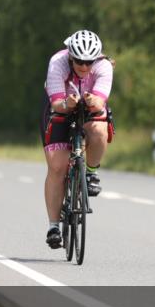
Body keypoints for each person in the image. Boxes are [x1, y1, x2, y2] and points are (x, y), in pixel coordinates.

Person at [42, 30, 114, 250]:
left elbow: (100, 104)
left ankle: (90, 173)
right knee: (57, 167)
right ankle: (54, 226)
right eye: (80, 62)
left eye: (89, 62)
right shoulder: (58, 63)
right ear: (71, 57)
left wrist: (94, 100)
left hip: (90, 108)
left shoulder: (104, 67)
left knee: (99, 130)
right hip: (61, 107)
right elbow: (56, 104)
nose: (84, 67)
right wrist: (67, 104)